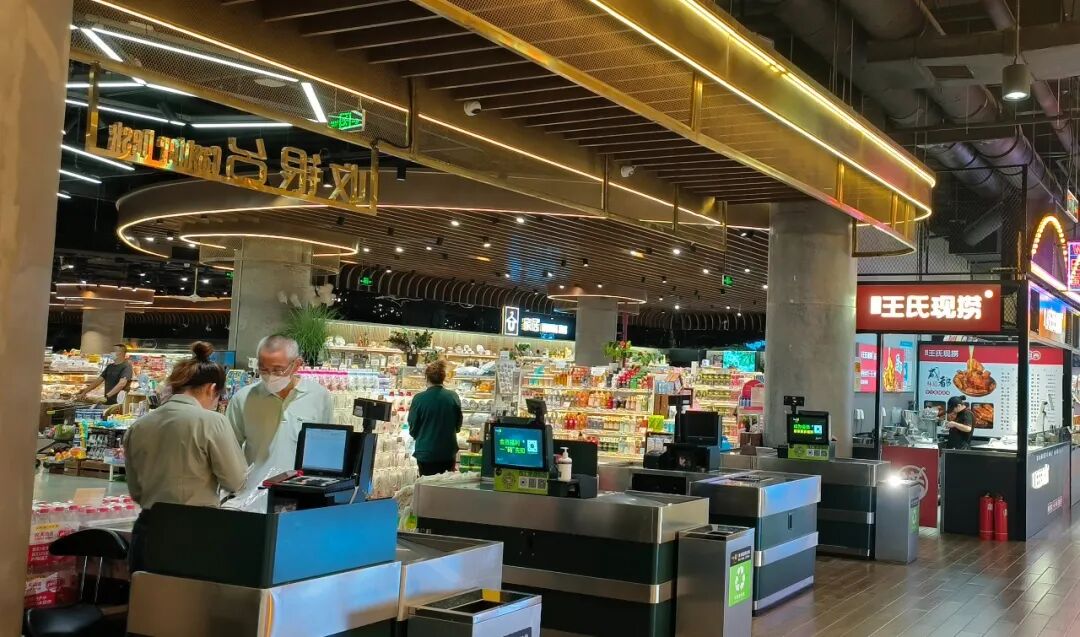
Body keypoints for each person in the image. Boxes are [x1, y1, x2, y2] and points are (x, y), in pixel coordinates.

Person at [123, 342, 248, 569]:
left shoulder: (139, 425)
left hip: (149, 527)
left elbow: (135, 490)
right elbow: (235, 480)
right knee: (188, 591)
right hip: (194, 529)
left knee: (146, 589)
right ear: (212, 388)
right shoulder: (212, 422)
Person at [226, 335, 333, 485]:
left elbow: (324, 448)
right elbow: (229, 450)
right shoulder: (242, 399)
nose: (270, 376)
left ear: (296, 365)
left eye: (278, 370)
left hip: (301, 490)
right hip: (253, 492)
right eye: (264, 369)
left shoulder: (319, 397)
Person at [408, 360, 463, 476]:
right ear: (443, 378)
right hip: (448, 451)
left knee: (427, 485)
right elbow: (458, 425)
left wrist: (420, 435)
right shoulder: (453, 396)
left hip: (425, 451)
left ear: (427, 378)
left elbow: (413, 427)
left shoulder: (419, 399)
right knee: (445, 484)